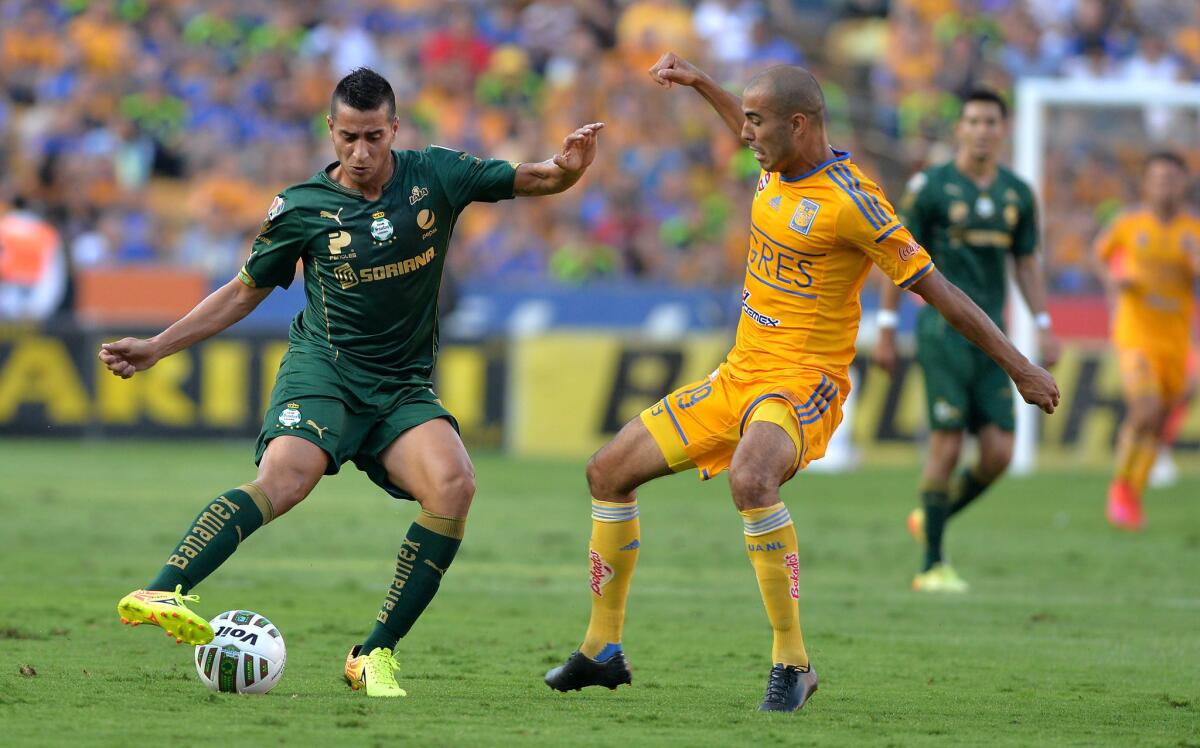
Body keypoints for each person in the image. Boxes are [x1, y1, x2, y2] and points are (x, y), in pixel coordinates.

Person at [543, 53, 1059, 713]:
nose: (746, 134)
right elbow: (742, 125)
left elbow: (942, 292)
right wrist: (701, 82)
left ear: (799, 124)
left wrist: (1020, 365)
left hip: (803, 382)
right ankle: (602, 650)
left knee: (750, 479)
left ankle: (793, 663)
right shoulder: (774, 162)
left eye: (758, 122)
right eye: (747, 122)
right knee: (606, 471)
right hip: (739, 374)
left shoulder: (853, 204)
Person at [100, 68, 604, 697]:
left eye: (373, 137)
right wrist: (156, 346)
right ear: (330, 131)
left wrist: (569, 168)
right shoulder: (302, 207)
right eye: (347, 138)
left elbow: (538, 177)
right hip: (326, 371)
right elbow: (242, 292)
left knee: (454, 485)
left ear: (395, 128)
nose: (360, 153)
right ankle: (162, 588)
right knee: (285, 479)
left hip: (400, 386)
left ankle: (374, 654)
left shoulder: (437, 175)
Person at [872, 89, 1061, 593]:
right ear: (960, 128)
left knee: (999, 453)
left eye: (990, 121)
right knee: (948, 443)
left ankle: (931, 517)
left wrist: (1042, 321)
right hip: (943, 334)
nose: (981, 129)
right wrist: (887, 329)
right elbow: (896, 257)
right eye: (972, 121)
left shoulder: (1017, 194)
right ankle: (931, 565)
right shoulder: (930, 187)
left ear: (1004, 129)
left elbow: (1025, 262)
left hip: (992, 336)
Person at [1092, 151, 1199, 530]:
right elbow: (1100, 255)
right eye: (1157, 179)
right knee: (1146, 408)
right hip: (1135, 335)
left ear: (1182, 184)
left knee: (1160, 419)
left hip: (1175, 340)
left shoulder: (1193, 231)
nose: (1163, 186)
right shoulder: (1128, 223)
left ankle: (1131, 492)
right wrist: (1114, 284)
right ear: (1146, 184)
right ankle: (1120, 488)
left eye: (1171, 179)